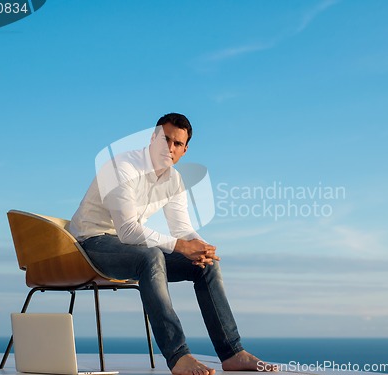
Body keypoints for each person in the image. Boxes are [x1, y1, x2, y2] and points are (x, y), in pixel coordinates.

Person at [69, 113, 272, 375]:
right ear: (152, 138)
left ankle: (232, 353)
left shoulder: (174, 180)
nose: (170, 148)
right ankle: (178, 357)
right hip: (92, 244)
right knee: (150, 256)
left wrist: (200, 247)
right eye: (165, 140)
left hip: (129, 248)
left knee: (204, 266)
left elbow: (181, 228)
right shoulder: (122, 167)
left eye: (177, 144)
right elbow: (129, 230)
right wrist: (180, 246)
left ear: (184, 150)